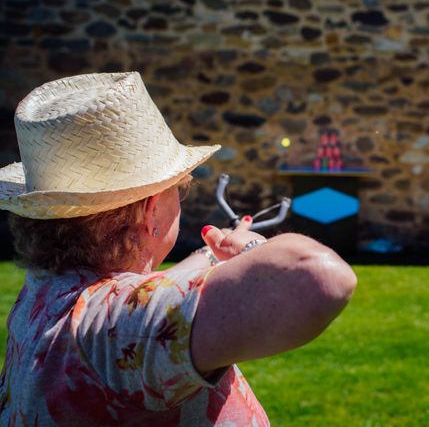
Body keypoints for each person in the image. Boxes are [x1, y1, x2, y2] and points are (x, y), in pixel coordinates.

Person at [0, 72, 357, 425]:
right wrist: (251, 248)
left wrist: (213, 254)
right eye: (179, 190)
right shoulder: (113, 329)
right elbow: (319, 275)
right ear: (150, 209)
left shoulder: (42, 297)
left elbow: (149, 296)